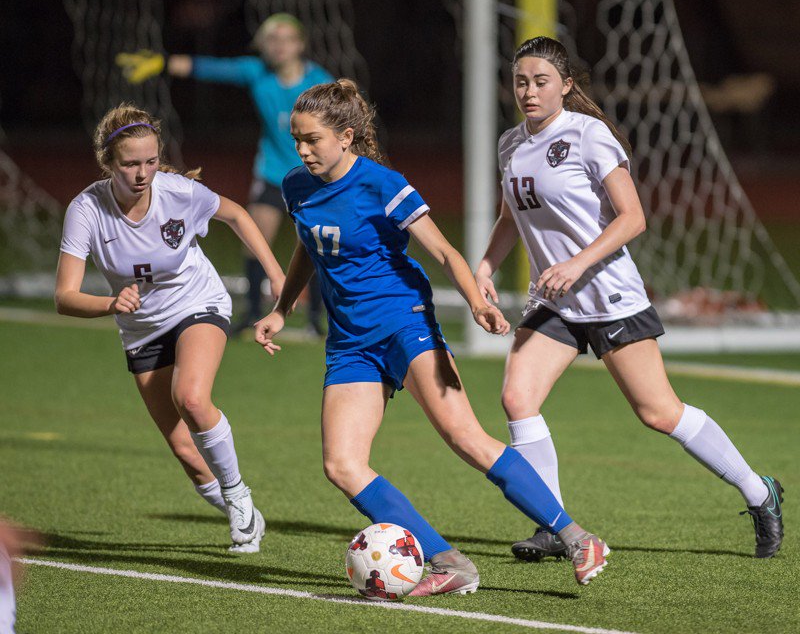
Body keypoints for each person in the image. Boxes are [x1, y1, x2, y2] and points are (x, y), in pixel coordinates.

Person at [255, 79, 611, 593]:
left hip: (405, 322)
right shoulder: (295, 186)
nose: (303, 150)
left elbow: (444, 252)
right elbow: (311, 247)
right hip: (351, 341)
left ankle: (578, 537)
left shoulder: (382, 184)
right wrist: (282, 309)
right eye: (297, 140)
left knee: (463, 436)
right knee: (342, 464)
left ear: (346, 135)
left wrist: (478, 302)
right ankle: (449, 563)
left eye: (312, 139)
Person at [475, 37, 784, 562]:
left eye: (541, 81)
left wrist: (575, 263)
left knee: (659, 413)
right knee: (517, 398)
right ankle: (552, 525)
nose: (529, 90)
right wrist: (485, 265)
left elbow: (633, 217)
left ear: (566, 85)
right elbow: (512, 217)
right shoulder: (510, 143)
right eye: (521, 81)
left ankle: (759, 492)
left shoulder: (588, 134)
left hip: (609, 295)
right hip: (557, 302)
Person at [55, 104, 285, 553]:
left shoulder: (176, 191)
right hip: (141, 329)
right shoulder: (86, 209)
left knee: (192, 398)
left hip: (197, 303)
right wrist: (109, 302)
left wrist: (276, 273)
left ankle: (239, 495)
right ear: (108, 163)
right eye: (130, 164)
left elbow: (237, 214)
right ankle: (244, 512)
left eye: (151, 161)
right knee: (186, 452)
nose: (143, 174)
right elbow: (64, 297)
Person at [117, 13, 333, 335]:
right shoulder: (257, 73)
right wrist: (162, 63)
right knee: (254, 242)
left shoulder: (319, 81)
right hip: (273, 173)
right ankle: (253, 313)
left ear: (300, 44)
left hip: (314, 176)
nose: (280, 46)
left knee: (316, 245)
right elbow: (209, 67)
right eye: (273, 39)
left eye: (287, 39)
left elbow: (342, 113)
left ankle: (317, 320)